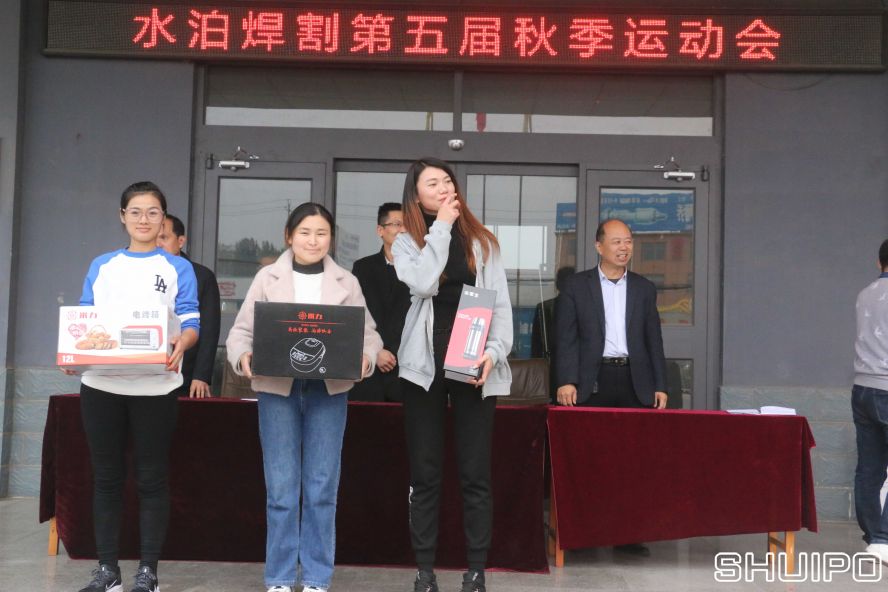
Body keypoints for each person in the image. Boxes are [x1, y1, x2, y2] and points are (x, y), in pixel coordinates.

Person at [225, 202, 382, 592]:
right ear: (289, 236)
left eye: (322, 233)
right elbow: (241, 332)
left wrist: (366, 358)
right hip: (277, 390)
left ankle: (315, 576)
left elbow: (370, 335)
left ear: (332, 238)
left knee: (321, 486)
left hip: (329, 392)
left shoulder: (347, 281)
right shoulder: (267, 277)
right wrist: (244, 357)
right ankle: (279, 577)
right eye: (305, 233)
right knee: (281, 488)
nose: (313, 241)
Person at [71, 181, 200, 592]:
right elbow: (85, 320)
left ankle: (148, 572)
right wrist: (74, 354)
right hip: (101, 384)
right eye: (136, 211)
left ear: (164, 219)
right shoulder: (103, 265)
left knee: (151, 479)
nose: (144, 219)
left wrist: (184, 341)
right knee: (106, 478)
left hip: (156, 387)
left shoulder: (177, 268)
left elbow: (191, 320)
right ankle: (107, 571)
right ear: (122, 216)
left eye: (153, 212)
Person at [393, 158, 513, 592]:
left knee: (475, 472)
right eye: (433, 183)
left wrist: (493, 354)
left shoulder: (482, 241)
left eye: (447, 181)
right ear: (416, 195)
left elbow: (500, 305)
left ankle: (476, 570)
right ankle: (424, 572)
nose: (444, 188)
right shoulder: (406, 242)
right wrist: (441, 226)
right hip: (423, 366)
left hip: (472, 359)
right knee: (425, 473)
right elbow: (424, 283)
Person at [554, 218, 666, 556]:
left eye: (628, 241)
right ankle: (583, 535)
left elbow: (653, 340)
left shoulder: (644, 288)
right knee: (588, 460)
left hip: (634, 381)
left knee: (632, 461)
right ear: (598, 246)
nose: (624, 247)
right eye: (617, 241)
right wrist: (566, 380)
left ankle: (627, 535)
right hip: (592, 380)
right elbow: (565, 338)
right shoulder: (576, 286)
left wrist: (660, 384)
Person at [350, 202, 412, 402]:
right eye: (397, 224)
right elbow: (354, 317)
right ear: (380, 230)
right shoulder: (363, 268)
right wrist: (376, 351)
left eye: (407, 225)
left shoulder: (419, 270)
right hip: (370, 368)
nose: (403, 230)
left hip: (407, 369)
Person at [157, 213, 221, 398]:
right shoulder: (139, 272)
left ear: (180, 241)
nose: (158, 244)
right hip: (145, 371)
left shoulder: (201, 276)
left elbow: (209, 330)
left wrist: (201, 375)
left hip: (187, 373)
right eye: (154, 238)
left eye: (164, 238)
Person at [852, 238, 888, 565]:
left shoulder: (865, 294)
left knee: (869, 468)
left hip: (862, 387)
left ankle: (873, 536)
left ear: (879, 262)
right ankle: (884, 539)